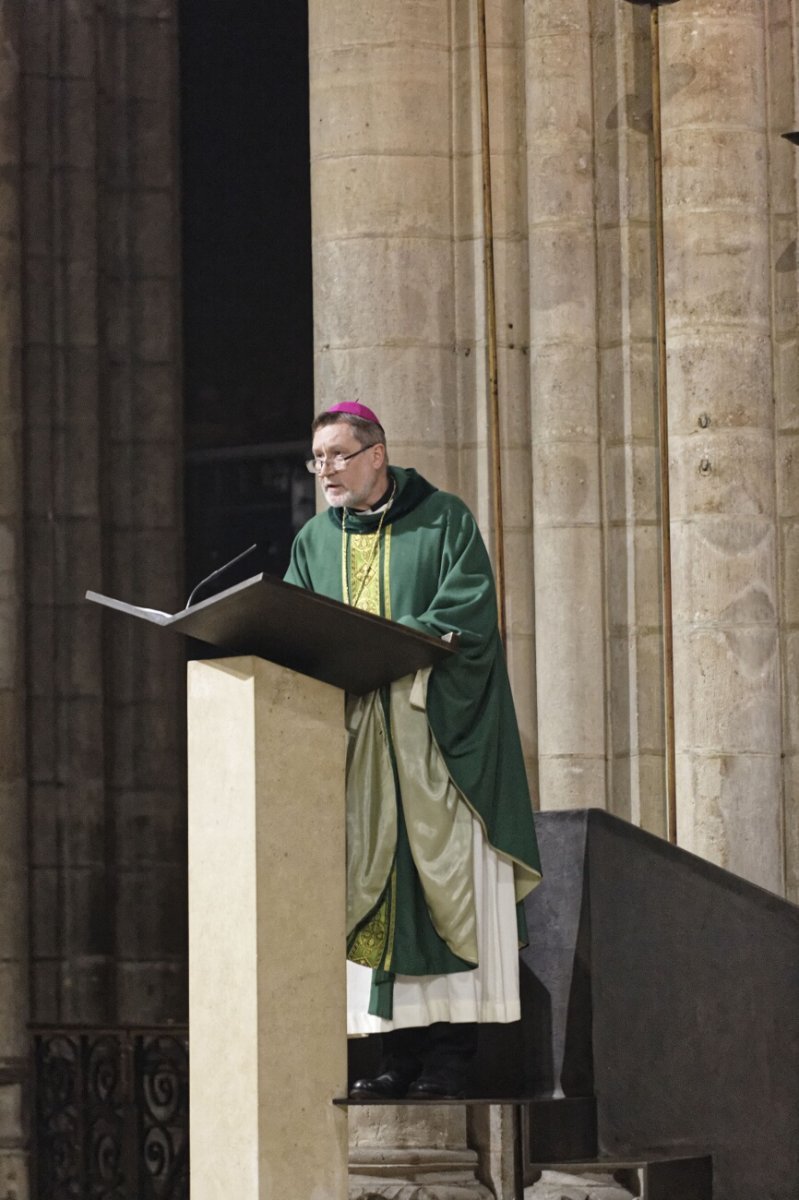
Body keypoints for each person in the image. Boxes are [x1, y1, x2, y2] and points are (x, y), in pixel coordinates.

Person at [284, 401, 541, 1098]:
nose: (326, 471)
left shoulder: (444, 518)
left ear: (376, 455)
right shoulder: (313, 539)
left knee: (444, 892)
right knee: (370, 896)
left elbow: (467, 615)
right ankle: (394, 1060)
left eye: (337, 455)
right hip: (361, 749)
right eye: (317, 459)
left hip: (431, 745)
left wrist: (391, 644)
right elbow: (298, 621)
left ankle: (451, 1060)